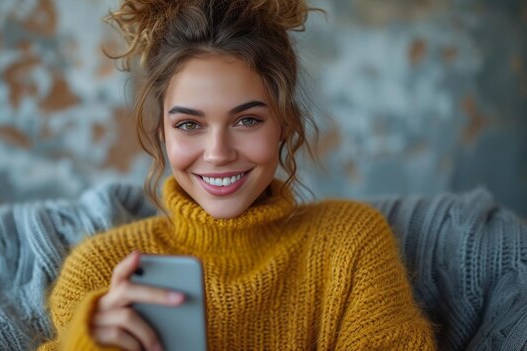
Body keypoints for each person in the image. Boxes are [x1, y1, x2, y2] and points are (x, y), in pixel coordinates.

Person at [39, 0, 436, 350]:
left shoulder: (350, 244)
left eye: (247, 120)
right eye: (189, 125)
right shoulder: (100, 271)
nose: (218, 154)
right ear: (162, 133)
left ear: (284, 124)